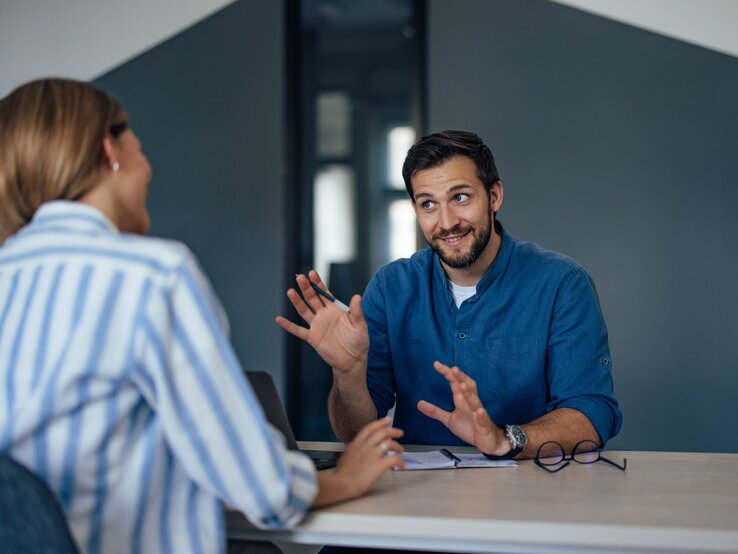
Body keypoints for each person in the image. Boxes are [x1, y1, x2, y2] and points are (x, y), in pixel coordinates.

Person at [0, 78, 404, 554]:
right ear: (109, 150)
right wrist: (348, 478)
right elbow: (261, 488)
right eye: (141, 148)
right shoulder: (153, 275)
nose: (148, 169)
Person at [277, 130, 622, 460]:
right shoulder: (390, 288)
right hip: (419, 496)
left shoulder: (562, 283)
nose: (446, 222)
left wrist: (504, 439)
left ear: (494, 196)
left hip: (530, 492)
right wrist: (348, 373)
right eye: (428, 204)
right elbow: (355, 433)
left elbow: (592, 414)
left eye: (460, 197)